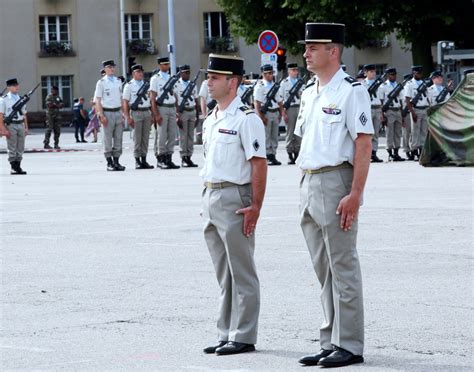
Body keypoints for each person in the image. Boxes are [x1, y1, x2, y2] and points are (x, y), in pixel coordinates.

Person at [295, 22, 373, 368]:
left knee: (343, 267)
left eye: (314, 47)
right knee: (323, 269)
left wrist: (355, 193)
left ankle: (350, 344)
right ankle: (330, 340)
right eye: (306, 47)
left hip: (336, 182)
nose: (306, 53)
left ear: (334, 51)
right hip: (309, 182)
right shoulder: (309, 91)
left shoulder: (351, 91)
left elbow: (363, 143)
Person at [200, 54, 267, 356]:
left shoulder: (246, 119)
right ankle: (226, 331)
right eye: (209, 77)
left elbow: (259, 164)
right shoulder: (212, 119)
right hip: (212, 196)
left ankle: (244, 335)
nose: (208, 82)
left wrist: (255, 206)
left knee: (242, 271)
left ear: (233, 82)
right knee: (223, 273)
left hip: (235, 198)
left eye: (215, 77)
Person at [94, 59, 126, 171]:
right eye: (109, 67)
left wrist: (123, 113)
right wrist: (101, 115)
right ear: (105, 69)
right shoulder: (101, 82)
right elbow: (97, 100)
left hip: (117, 112)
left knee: (118, 138)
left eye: (113, 67)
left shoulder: (118, 81)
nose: (112, 69)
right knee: (107, 138)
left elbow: (121, 99)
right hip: (107, 112)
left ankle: (116, 161)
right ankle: (109, 162)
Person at [150, 56, 180, 169]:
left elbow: (175, 96)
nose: (166, 66)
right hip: (161, 108)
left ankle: (169, 157)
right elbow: (152, 98)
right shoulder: (155, 79)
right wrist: (156, 114)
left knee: (172, 134)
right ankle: (161, 158)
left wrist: (177, 111)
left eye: (167, 64)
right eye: (164, 64)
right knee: (162, 135)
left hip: (171, 107)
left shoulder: (171, 78)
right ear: (160, 65)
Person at [122, 64, 154, 169]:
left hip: (146, 112)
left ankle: (144, 159)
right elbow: (125, 102)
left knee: (145, 138)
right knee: (137, 138)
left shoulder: (146, 84)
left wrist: (152, 114)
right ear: (133, 74)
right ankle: (137, 160)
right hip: (136, 113)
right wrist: (128, 117)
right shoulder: (129, 85)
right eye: (138, 72)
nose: (140, 74)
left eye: (141, 72)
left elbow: (151, 100)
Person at [253, 64, 285, 165]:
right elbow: (257, 103)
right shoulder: (260, 86)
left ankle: (273, 155)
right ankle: (267, 155)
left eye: (272, 73)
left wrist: (281, 113)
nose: (271, 75)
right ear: (263, 74)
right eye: (268, 73)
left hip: (275, 112)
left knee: (274, 135)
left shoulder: (275, 86)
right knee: (266, 136)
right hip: (265, 113)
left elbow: (280, 102)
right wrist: (261, 117)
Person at [0, 78, 29, 175]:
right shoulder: (3, 99)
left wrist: (26, 127)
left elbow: (24, 114)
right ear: (8, 87)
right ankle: (13, 167)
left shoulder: (21, 98)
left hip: (20, 124)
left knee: (20, 146)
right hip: (11, 124)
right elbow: (0, 115)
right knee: (12, 146)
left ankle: (18, 166)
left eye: (17, 85)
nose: (17, 87)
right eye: (14, 85)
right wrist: (3, 129)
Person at [279, 63, 303, 164]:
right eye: (293, 70)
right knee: (290, 131)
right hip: (289, 108)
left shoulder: (301, 82)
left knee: (299, 132)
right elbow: (280, 98)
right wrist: (283, 113)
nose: (295, 72)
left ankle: (297, 153)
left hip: (300, 108)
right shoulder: (284, 83)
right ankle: (289, 154)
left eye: (296, 70)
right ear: (288, 71)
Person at [175, 64, 199, 167]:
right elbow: (175, 101)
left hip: (192, 111)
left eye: (189, 72)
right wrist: (177, 115)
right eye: (185, 73)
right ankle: (183, 157)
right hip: (182, 112)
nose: (188, 74)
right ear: (181, 73)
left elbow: (196, 99)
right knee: (183, 136)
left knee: (190, 136)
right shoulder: (177, 85)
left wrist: (198, 114)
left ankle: (189, 156)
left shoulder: (192, 84)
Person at [404, 65, 430, 160]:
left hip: (424, 108)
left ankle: (422, 150)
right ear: (413, 73)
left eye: (421, 73)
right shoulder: (409, 84)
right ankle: (414, 149)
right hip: (416, 109)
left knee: (424, 130)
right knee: (415, 131)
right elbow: (407, 99)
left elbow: (427, 97)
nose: (420, 75)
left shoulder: (423, 83)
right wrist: (412, 112)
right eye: (418, 73)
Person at [380, 68, 405, 161]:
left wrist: (402, 114)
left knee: (398, 132)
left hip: (397, 110)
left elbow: (401, 100)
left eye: (394, 74)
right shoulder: (383, 86)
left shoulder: (399, 86)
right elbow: (381, 101)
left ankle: (396, 152)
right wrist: (382, 115)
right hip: (389, 111)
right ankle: (390, 152)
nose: (393, 76)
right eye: (391, 75)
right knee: (389, 132)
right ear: (387, 75)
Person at [362, 64, 383, 162]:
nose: (373, 73)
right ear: (365, 72)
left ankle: (374, 152)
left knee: (376, 132)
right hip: (368, 109)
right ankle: (367, 153)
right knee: (368, 133)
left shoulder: (380, 84)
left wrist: (382, 113)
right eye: (371, 71)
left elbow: (381, 99)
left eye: (374, 71)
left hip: (377, 108)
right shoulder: (362, 84)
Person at [43, 85, 64, 150]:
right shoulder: (49, 97)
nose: (52, 91)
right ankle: (46, 144)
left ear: (56, 90)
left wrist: (56, 105)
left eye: (53, 90)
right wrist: (57, 105)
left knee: (57, 130)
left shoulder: (58, 97)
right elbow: (50, 105)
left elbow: (62, 104)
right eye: (52, 90)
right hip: (50, 116)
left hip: (57, 116)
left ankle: (56, 144)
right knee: (49, 129)